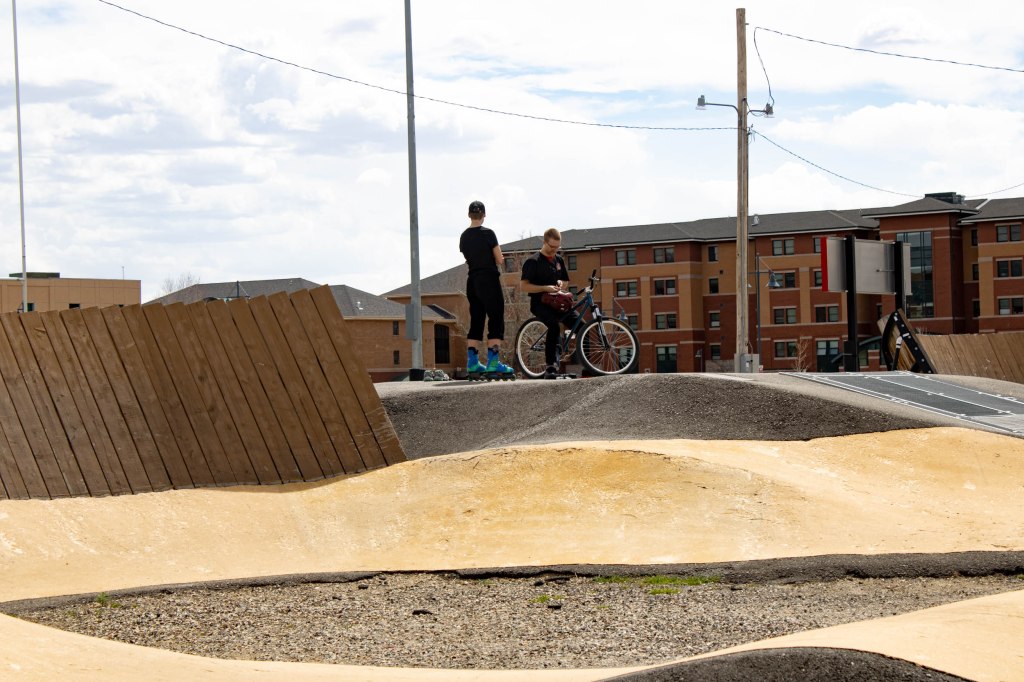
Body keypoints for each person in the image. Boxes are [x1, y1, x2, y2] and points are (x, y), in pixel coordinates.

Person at [459, 200, 515, 379]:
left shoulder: (464, 237)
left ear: (469, 215)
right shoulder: (488, 233)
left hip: (472, 281)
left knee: (476, 319)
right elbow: (499, 258)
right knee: (496, 317)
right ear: (484, 215)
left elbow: (469, 258)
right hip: (489, 279)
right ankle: (493, 363)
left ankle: (473, 363)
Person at [520, 228, 579, 379]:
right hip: (540, 303)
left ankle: (586, 363)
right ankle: (550, 366)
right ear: (544, 242)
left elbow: (565, 281)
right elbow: (524, 286)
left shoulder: (558, 260)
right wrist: (544, 288)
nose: (554, 250)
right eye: (552, 246)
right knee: (554, 326)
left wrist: (561, 283)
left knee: (582, 326)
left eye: (557, 247)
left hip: (558, 302)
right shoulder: (533, 261)